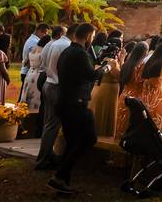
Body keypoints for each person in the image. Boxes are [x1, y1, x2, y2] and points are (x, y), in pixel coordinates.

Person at [47, 23, 118, 195]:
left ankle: (63, 184)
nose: (92, 39)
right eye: (92, 36)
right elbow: (92, 75)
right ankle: (58, 177)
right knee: (89, 139)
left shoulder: (67, 51)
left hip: (63, 102)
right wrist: (107, 67)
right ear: (88, 36)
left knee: (71, 143)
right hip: (74, 104)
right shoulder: (79, 53)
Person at [34, 25, 71, 170]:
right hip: (55, 84)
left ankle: (49, 155)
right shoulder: (64, 45)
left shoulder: (51, 43)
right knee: (52, 124)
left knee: (48, 122)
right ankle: (43, 159)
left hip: (47, 80)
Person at [89, 41, 126, 138]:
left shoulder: (101, 60)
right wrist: (122, 60)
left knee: (98, 116)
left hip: (98, 90)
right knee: (104, 118)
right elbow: (121, 77)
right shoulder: (112, 62)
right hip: (107, 93)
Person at [20, 34, 49, 129]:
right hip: (37, 75)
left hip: (30, 74)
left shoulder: (32, 50)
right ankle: (32, 124)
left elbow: (24, 62)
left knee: (27, 97)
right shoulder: (44, 51)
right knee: (36, 100)